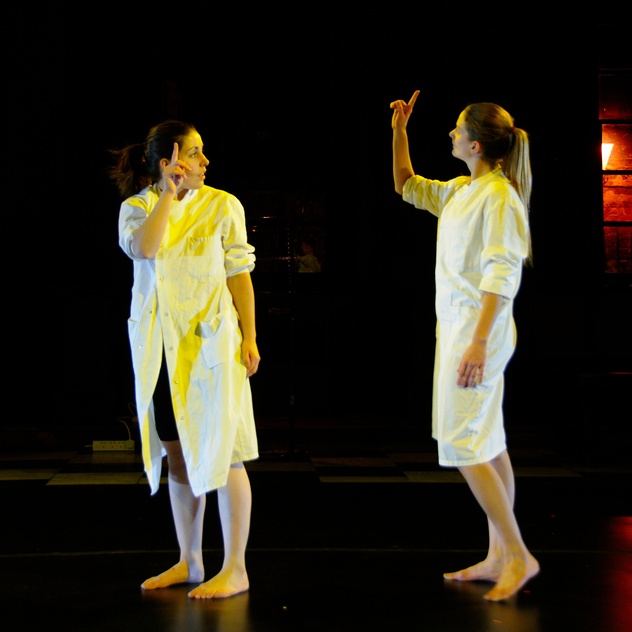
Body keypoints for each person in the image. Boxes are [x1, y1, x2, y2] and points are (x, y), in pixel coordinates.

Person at [390, 90, 540, 601]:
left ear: (476, 145)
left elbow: (503, 274)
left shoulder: (500, 197)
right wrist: (400, 132)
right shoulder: (461, 190)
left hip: (479, 333)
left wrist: (478, 342)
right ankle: (499, 554)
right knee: (487, 441)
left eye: (458, 129)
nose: (451, 134)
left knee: (462, 442)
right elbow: (406, 185)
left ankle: (518, 554)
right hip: (459, 331)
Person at [109, 119, 261, 599]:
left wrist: (250, 336)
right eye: (194, 153)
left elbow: (239, 273)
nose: (204, 161)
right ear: (167, 160)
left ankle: (235, 567)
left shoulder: (223, 205)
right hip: (160, 349)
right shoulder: (137, 208)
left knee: (226, 451)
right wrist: (169, 195)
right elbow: (144, 248)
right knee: (176, 454)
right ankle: (190, 560)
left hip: (213, 346)